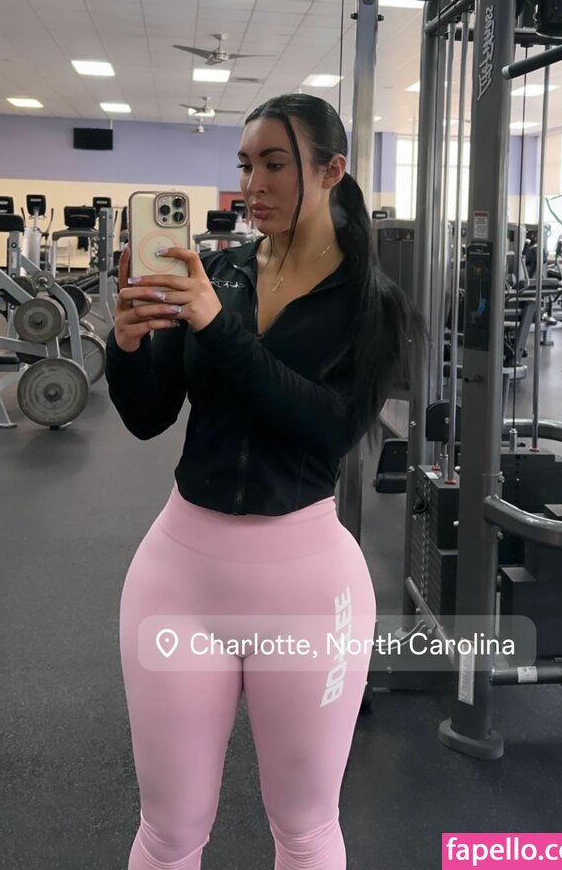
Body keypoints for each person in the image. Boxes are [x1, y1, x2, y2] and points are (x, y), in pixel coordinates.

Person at [105, 93, 428, 870]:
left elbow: (327, 430)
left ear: (332, 170)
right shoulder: (219, 274)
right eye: (245, 165)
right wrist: (125, 345)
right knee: (168, 831)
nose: (253, 184)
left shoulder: (371, 305)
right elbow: (149, 416)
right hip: (180, 577)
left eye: (275, 164)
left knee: (306, 829)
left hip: (308, 589)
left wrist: (219, 329)